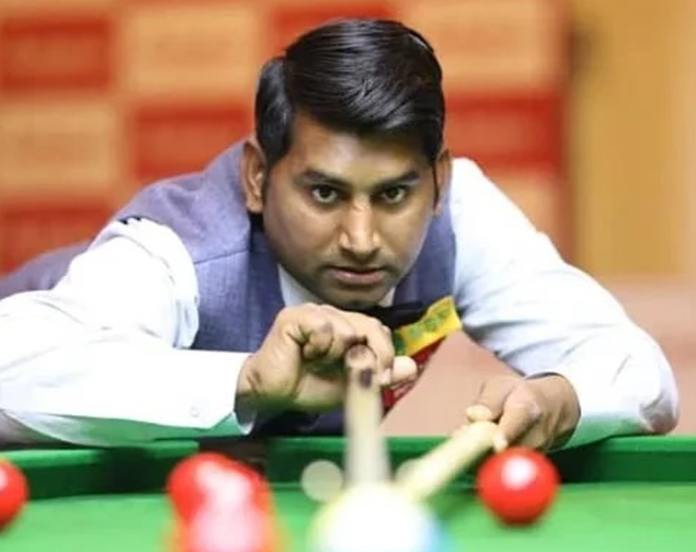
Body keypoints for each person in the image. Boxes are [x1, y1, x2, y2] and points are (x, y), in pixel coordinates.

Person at [0, 18, 679, 450]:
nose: (361, 238)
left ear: (437, 180)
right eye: (324, 193)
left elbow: (638, 370)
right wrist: (246, 380)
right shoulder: (175, 250)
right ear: (258, 177)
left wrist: (562, 399)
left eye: (393, 195)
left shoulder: (462, 213)